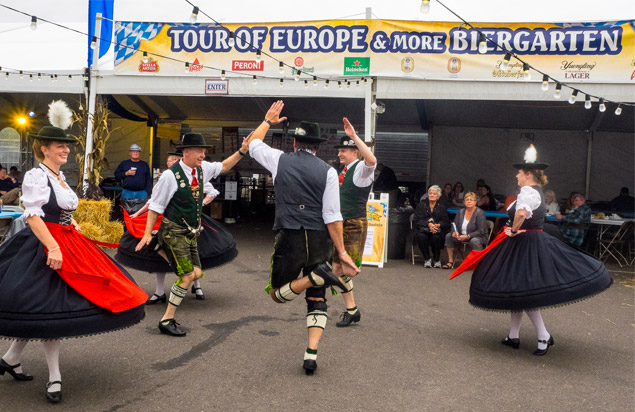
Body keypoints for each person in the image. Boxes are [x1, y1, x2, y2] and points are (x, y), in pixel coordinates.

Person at [0, 103, 146, 404]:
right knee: (51, 311)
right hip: (45, 245)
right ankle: (54, 377)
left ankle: (11, 358)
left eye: (66, 146)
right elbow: (33, 216)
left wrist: (76, 226)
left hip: (67, 240)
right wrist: (52, 246)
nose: (66, 150)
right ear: (44, 149)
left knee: (39, 308)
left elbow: (64, 209)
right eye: (60, 146)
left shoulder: (60, 176)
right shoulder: (36, 177)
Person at [451, 145, 612, 356]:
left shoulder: (528, 191)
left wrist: (514, 229)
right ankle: (513, 335)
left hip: (524, 243)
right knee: (517, 290)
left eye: (519, 172)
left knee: (525, 291)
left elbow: (520, 214)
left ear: (528, 174)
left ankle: (543, 335)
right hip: (528, 242)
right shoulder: (535, 191)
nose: (516, 175)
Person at [247, 101, 360, 374]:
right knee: (317, 299)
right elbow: (333, 215)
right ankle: (311, 355)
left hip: (289, 235)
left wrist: (267, 121)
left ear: (295, 143)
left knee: (276, 295)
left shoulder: (279, 159)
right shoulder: (329, 171)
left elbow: (251, 144)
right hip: (319, 237)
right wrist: (342, 253)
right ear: (317, 147)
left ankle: (312, 277)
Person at [136, 133, 246, 337]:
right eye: (199, 151)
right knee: (187, 277)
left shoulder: (202, 170)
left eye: (204, 151)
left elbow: (223, 166)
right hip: (173, 231)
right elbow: (155, 206)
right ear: (186, 152)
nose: (203, 155)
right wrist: (146, 233)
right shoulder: (170, 176)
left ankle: (159, 249)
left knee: (196, 273)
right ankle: (166, 319)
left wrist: (241, 151)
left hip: (190, 232)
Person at [116, 149, 237, 303]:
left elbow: (212, 192)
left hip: (189, 219)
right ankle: (160, 291)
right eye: (168, 161)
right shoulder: (166, 177)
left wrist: (199, 204)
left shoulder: (194, 175)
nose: (170, 163)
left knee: (194, 251)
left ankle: (196, 284)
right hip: (165, 219)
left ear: (181, 159)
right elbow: (153, 202)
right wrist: (138, 213)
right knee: (158, 256)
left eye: (173, 160)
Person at [331, 117, 377, 327]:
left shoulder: (361, 169)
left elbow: (372, 161)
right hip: (340, 224)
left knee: (347, 271)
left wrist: (354, 137)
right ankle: (352, 310)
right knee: (336, 269)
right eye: (339, 150)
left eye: (344, 150)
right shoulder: (343, 170)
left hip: (354, 224)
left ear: (354, 152)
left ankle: (355, 267)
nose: (339, 153)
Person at [443, 192, 488, 269]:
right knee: (448, 236)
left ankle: (479, 263)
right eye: (467, 200)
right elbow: (455, 225)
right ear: (464, 202)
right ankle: (450, 261)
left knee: (474, 241)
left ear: (475, 202)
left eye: (471, 200)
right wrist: (454, 231)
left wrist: (467, 236)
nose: (469, 201)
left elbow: (481, 231)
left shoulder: (479, 213)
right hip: (461, 235)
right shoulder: (460, 212)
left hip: (478, 236)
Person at [413, 185, 450, 268]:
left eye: (434, 194)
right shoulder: (421, 205)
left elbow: (446, 221)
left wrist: (438, 225)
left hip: (437, 230)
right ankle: (427, 259)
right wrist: (428, 224)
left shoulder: (442, 207)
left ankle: (436, 259)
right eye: (430, 193)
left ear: (438, 196)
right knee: (421, 236)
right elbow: (417, 219)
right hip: (423, 229)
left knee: (436, 237)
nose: (432, 195)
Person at [114, 144, 152, 213]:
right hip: (127, 192)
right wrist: (126, 173)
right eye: (133, 151)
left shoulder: (144, 164)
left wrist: (148, 192)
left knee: (140, 213)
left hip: (141, 192)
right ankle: (127, 224)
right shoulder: (124, 163)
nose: (135, 153)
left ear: (139, 153)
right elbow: (117, 175)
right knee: (126, 213)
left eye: (137, 151)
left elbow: (148, 179)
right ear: (130, 153)